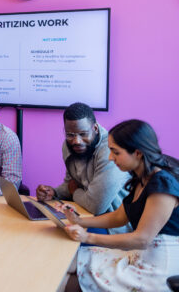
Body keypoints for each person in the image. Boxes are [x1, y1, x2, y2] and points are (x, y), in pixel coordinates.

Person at [60, 119, 179, 292]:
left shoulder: (162, 185)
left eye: (115, 152)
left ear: (137, 153)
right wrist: (79, 221)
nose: (110, 157)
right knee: (67, 261)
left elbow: (142, 239)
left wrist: (87, 238)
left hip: (159, 268)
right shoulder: (142, 178)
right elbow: (119, 216)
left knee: (64, 284)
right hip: (141, 256)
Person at [36, 103, 130, 226]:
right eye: (70, 135)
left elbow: (96, 205)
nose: (76, 141)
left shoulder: (110, 150)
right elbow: (70, 183)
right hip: (82, 213)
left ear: (95, 129)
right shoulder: (68, 146)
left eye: (83, 134)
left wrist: (74, 191)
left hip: (111, 224)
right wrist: (54, 192)